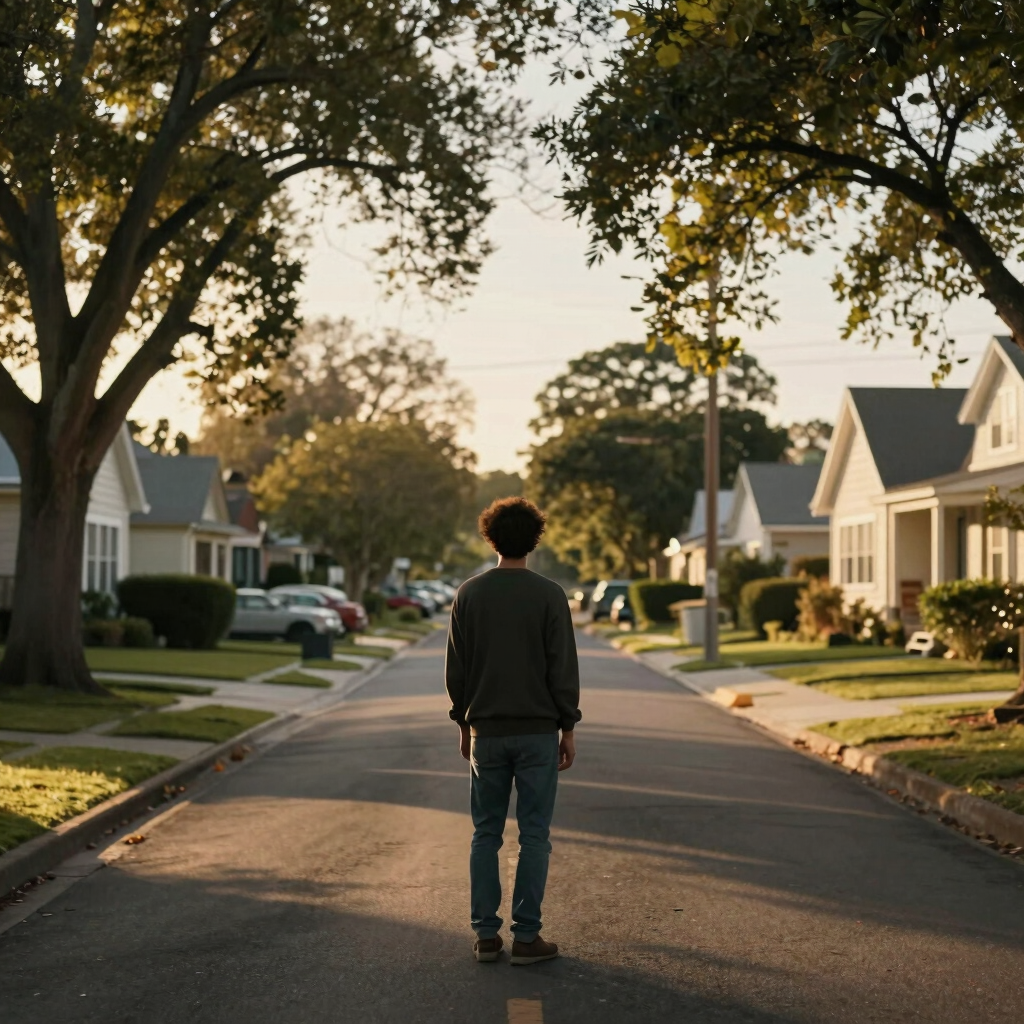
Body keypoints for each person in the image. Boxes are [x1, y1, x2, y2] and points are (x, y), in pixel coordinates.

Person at [445, 496, 581, 966]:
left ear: (490, 537)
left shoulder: (469, 594)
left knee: (486, 833)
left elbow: (456, 671)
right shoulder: (549, 595)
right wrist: (568, 726)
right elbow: (562, 668)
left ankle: (485, 935)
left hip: (487, 731)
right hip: (539, 732)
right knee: (534, 835)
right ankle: (527, 938)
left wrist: (463, 723)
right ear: (536, 539)